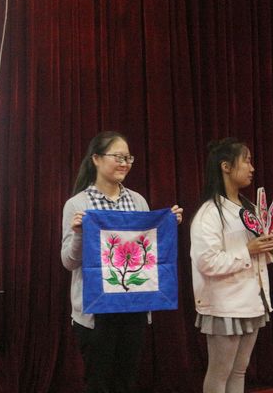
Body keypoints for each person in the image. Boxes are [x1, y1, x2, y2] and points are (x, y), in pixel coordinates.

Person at [61, 131, 183, 393]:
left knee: (126, 382)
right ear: (96, 159)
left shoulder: (138, 201)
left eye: (128, 158)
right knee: (98, 384)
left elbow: (148, 254)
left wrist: (166, 225)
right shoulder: (77, 204)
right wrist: (79, 234)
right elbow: (69, 262)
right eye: (118, 157)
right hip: (95, 313)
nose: (124, 163)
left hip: (134, 307)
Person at [190, 138, 273, 393]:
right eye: (247, 161)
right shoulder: (209, 213)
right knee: (220, 373)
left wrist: (271, 246)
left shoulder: (250, 208)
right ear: (226, 166)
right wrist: (248, 250)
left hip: (251, 301)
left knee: (239, 370)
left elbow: (261, 255)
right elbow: (207, 262)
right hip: (225, 305)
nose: (252, 168)